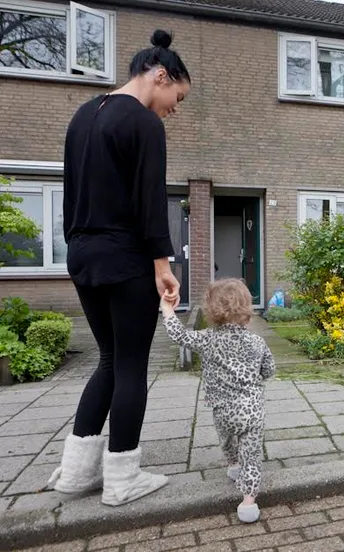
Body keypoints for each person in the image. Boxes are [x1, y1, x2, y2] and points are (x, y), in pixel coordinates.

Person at [47, 30, 191, 506]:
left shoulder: (83, 114)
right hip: (125, 257)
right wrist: (162, 266)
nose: (174, 107)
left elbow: (71, 194)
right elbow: (150, 202)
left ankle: (75, 472)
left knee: (108, 360)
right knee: (131, 366)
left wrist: (78, 243)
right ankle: (123, 478)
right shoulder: (144, 124)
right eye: (177, 97)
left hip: (83, 253)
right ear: (160, 75)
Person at [161, 279, 275, 523]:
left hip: (222, 408)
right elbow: (269, 369)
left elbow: (179, 335)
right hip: (252, 409)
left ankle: (233, 465)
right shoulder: (257, 341)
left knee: (227, 440)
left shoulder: (207, 339)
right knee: (252, 455)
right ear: (247, 307)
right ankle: (248, 502)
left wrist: (168, 309)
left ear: (212, 310)